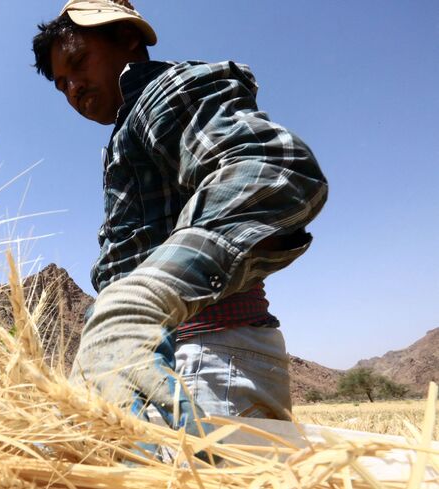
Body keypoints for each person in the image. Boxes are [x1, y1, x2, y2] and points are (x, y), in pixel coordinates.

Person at [31, 0, 328, 433]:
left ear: (128, 37)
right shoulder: (129, 130)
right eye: (61, 84)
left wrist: (143, 300)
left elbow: (271, 169)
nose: (73, 87)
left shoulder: (165, 91)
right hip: (168, 358)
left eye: (79, 62)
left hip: (206, 354)